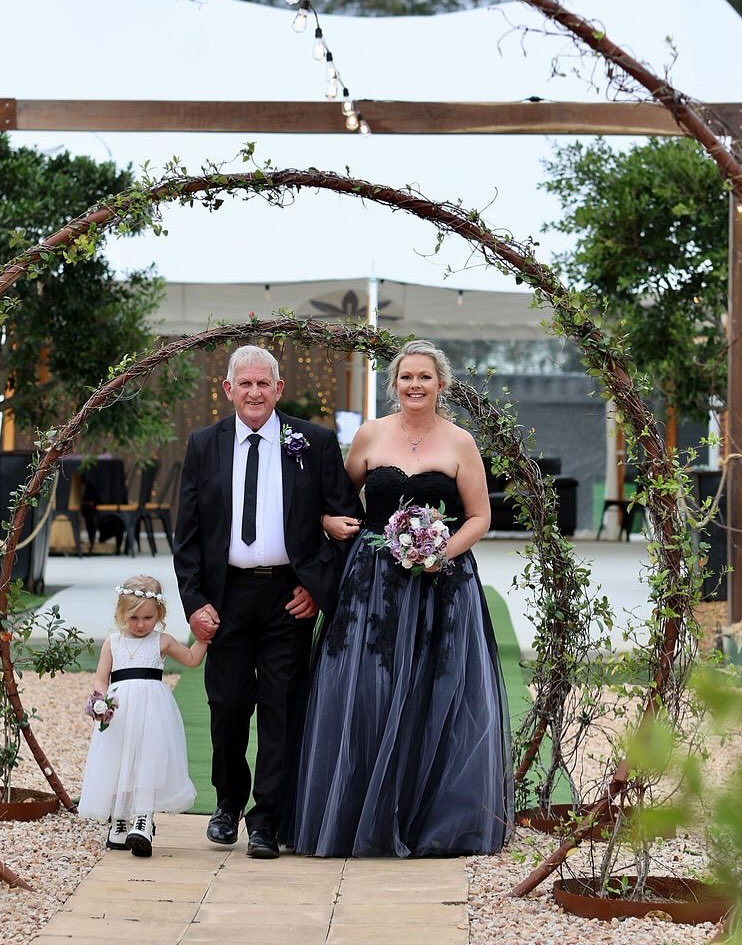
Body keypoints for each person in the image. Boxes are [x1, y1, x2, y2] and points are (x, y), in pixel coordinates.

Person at [290, 339, 513, 858]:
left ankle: (425, 818)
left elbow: (480, 516)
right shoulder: (369, 436)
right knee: (365, 691)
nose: (415, 385)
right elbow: (335, 500)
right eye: (407, 376)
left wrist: (441, 552)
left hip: (442, 587)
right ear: (394, 384)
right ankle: (354, 815)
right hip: (372, 586)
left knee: (434, 693)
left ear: (442, 384)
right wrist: (326, 520)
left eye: (425, 377)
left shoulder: (461, 443)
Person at [173, 345, 361, 860]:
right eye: (245, 384)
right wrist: (194, 602)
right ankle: (227, 804)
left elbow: (346, 523)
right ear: (228, 390)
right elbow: (186, 534)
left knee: (281, 707)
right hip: (226, 597)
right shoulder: (204, 445)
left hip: (288, 598)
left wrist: (317, 587)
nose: (255, 393)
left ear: (279, 390)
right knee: (227, 704)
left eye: (264, 384)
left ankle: (267, 818)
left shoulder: (315, 442)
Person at [77, 575, 207, 857]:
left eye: (148, 618)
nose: (140, 624)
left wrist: (204, 638)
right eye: (134, 617)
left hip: (152, 712)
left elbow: (192, 659)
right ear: (121, 614)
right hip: (120, 714)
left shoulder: (162, 642)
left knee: (147, 760)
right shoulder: (112, 644)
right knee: (120, 760)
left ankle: (144, 818)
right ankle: (120, 818)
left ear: (159, 614)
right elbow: (101, 678)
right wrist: (100, 702)